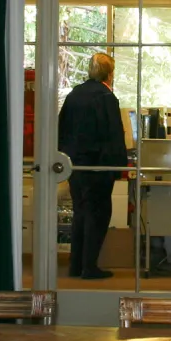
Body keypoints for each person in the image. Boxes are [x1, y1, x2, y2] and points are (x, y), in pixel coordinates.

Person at [57, 52, 128, 280]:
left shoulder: (74, 95)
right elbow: (114, 135)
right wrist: (119, 167)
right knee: (98, 214)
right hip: (98, 167)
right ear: (109, 73)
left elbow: (62, 129)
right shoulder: (106, 97)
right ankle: (90, 267)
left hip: (75, 166)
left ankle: (75, 264)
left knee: (80, 212)